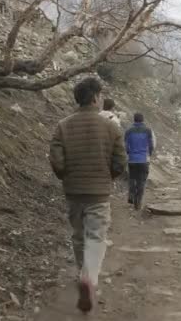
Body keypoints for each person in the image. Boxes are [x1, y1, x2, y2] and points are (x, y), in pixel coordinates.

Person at [49, 77, 127, 313]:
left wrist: (66, 176)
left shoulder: (63, 125)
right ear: (95, 97)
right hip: (99, 192)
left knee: (78, 235)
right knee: (96, 236)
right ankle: (89, 278)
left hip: (73, 191)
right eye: (100, 95)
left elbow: (56, 160)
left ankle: (82, 270)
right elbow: (120, 161)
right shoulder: (111, 126)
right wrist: (108, 177)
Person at [125, 113, 154, 210]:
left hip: (132, 160)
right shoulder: (148, 130)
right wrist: (149, 153)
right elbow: (151, 144)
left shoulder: (128, 131)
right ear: (143, 120)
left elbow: (126, 145)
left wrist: (129, 152)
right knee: (141, 181)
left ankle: (131, 196)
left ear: (134, 120)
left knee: (132, 179)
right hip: (143, 160)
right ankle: (138, 202)